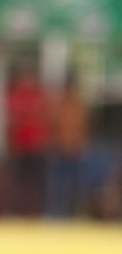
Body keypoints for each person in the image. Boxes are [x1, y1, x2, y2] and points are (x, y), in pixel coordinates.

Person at [5, 63, 47, 217]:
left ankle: (34, 211)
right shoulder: (14, 95)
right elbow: (13, 119)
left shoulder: (39, 94)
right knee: (19, 181)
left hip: (36, 145)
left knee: (35, 181)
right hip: (19, 146)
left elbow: (43, 118)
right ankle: (18, 211)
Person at [46, 72, 89, 218]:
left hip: (74, 150)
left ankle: (73, 212)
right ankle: (59, 212)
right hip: (61, 150)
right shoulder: (60, 104)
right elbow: (52, 126)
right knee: (60, 185)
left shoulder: (77, 105)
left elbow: (83, 127)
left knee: (74, 185)